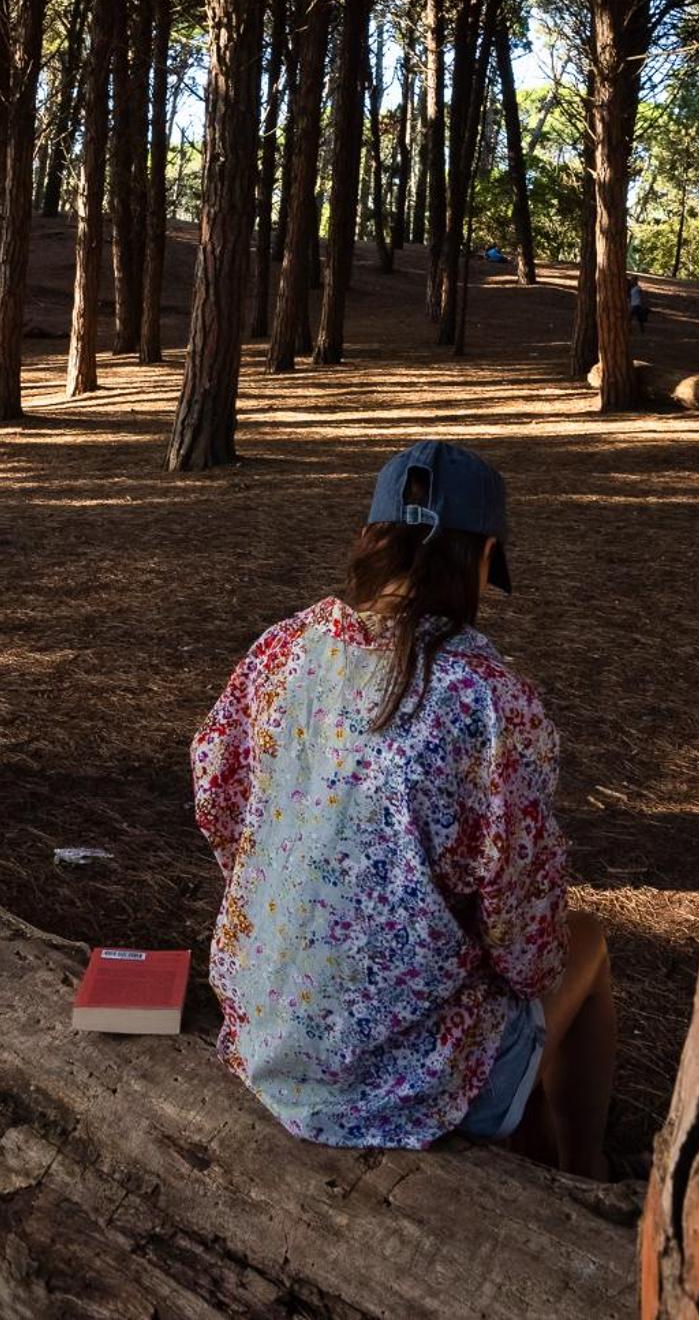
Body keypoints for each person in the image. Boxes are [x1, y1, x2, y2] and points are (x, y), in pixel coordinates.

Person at [191, 440, 615, 1173]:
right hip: (403, 1089)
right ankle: (590, 1172)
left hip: (267, 1038)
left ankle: (547, 1143)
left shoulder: (282, 650)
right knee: (589, 947)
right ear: (485, 556)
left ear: (367, 539)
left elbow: (217, 797)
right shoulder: (490, 703)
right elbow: (525, 942)